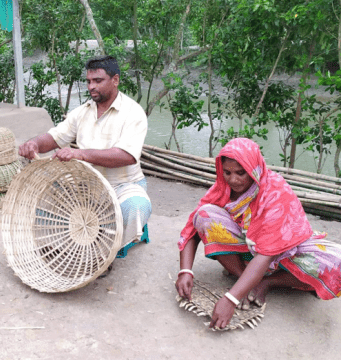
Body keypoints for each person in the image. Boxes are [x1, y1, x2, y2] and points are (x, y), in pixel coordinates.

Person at [175, 137, 341, 330]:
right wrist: (185, 271)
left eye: (240, 173)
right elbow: (193, 228)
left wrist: (230, 299)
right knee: (204, 215)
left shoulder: (276, 192)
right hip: (247, 251)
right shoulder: (223, 188)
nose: (233, 179)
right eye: (227, 172)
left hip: (283, 254)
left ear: (254, 169)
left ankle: (268, 282)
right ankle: (245, 278)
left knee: (337, 263)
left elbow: (267, 253)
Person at [19, 55, 152, 253]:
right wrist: (34, 144)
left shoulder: (133, 112)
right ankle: (63, 244)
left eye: (98, 81)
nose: (91, 87)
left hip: (123, 185)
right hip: (85, 186)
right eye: (89, 81)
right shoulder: (82, 112)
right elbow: (55, 137)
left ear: (115, 80)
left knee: (134, 207)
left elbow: (126, 156)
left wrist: (80, 154)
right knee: (39, 196)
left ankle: (103, 252)